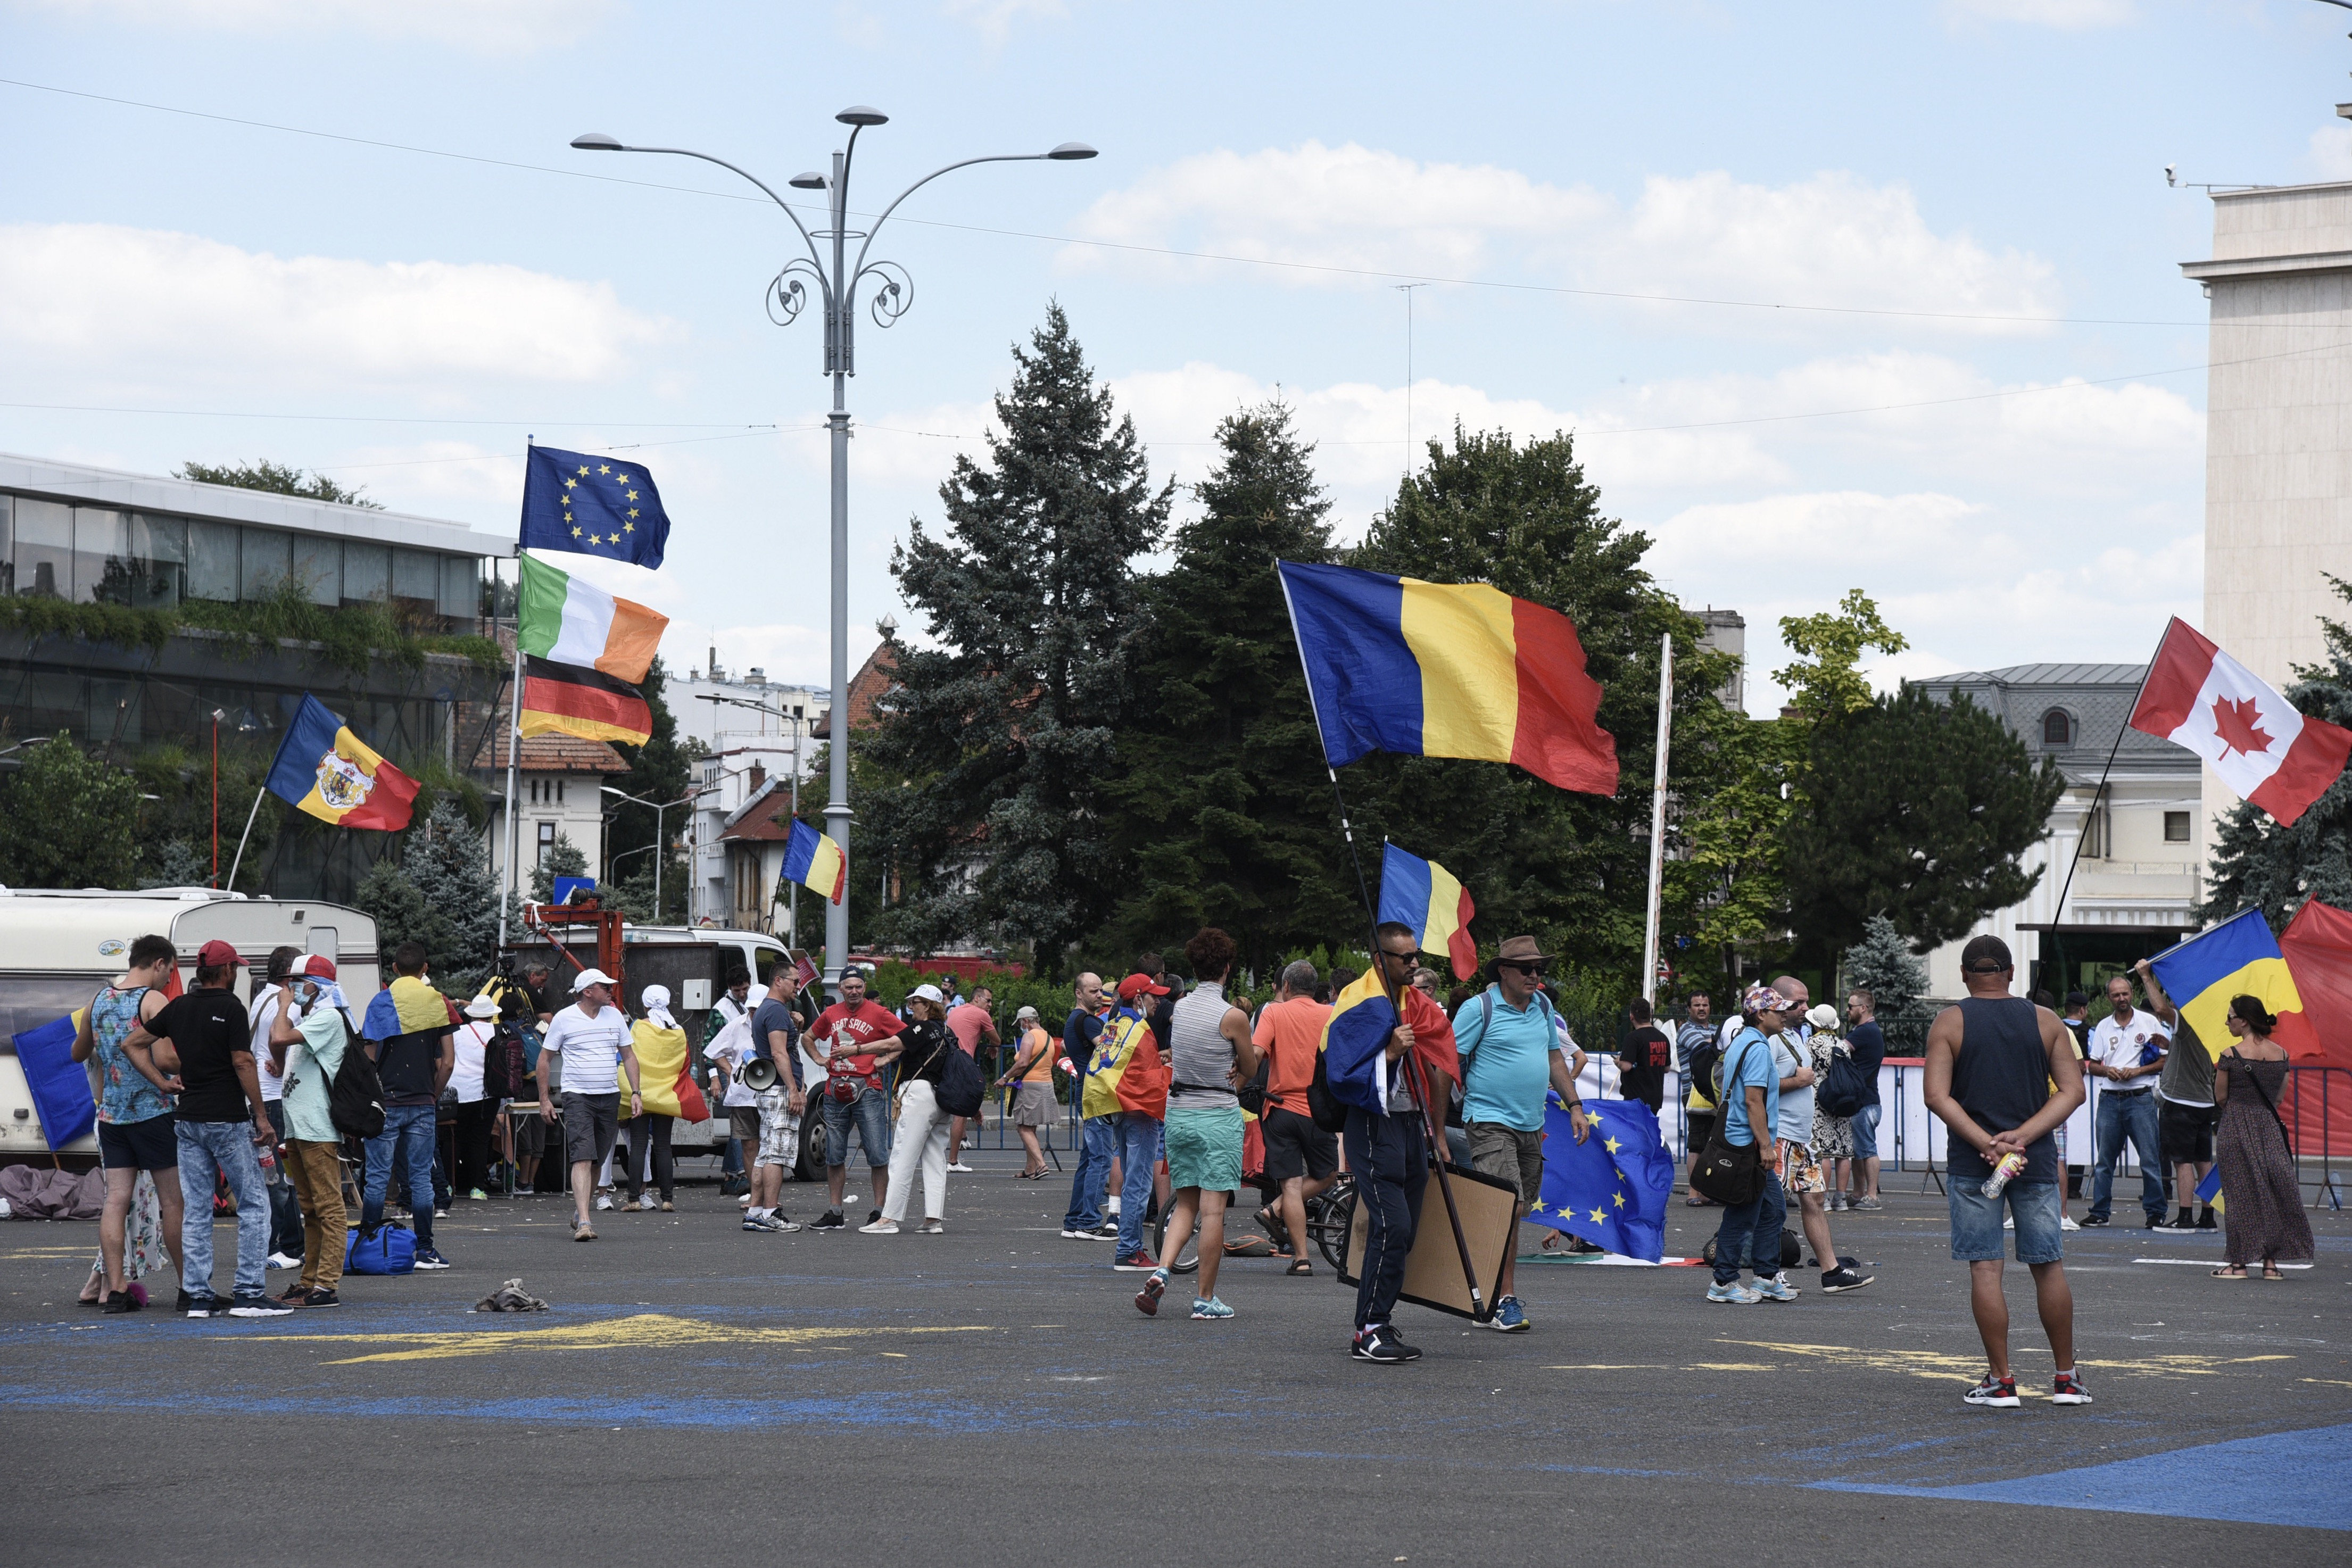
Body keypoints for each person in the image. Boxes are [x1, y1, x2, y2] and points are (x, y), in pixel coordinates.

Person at [1922, 934, 2090, 1408]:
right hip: (2033, 1160)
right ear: (2012, 972)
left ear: (1963, 974)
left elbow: (1936, 1095)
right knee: (2047, 1264)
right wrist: (2022, 1137)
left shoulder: (1950, 1020)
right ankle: (2066, 1378)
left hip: (1973, 1163)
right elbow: (2072, 1091)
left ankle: (2002, 1379)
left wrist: (1987, 1143)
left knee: (1986, 1266)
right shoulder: (2046, 1020)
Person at [127, 939, 291, 1317]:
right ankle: (249, 1292)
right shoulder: (231, 1007)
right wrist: (262, 1116)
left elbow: (132, 1043)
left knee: (197, 1209)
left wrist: (162, 1081)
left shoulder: (180, 1006)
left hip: (188, 1120)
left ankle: (199, 1295)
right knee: (253, 1202)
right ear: (227, 970)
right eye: (236, 967)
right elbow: (243, 1061)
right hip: (227, 1120)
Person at [1452, 935, 1588, 1330]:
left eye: (1539, 969)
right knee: (1508, 1206)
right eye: (1527, 969)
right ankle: (1503, 1299)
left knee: (1514, 1210)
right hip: (1489, 1120)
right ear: (1504, 972)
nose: (1535, 975)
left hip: (1532, 1123)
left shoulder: (1543, 1006)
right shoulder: (1480, 1008)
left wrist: (1574, 1106)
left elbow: (1553, 1059)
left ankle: (1484, 1293)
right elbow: (1446, 1064)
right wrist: (1440, 1130)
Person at [1342, 921, 1459, 1364]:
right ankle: (1368, 1329)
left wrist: (1438, 1129)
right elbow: (1341, 1072)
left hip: (1413, 1126)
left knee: (1399, 1230)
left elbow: (1440, 1060)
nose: (1415, 963)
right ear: (1380, 960)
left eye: (1416, 956)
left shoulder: (1418, 1005)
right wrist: (1388, 1054)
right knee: (1394, 1225)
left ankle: (1378, 1319)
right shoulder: (1361, 1002)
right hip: (1375, 1125)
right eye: (1405, 957)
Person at [1137, 928, 1259, 1320]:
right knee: (1213, 1212)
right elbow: (1251, 1067)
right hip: (1217, 1114)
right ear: (1227, 968)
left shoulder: (1180, 1007)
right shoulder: (1234, 1016)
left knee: (1184, 1202)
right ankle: (1205, 1298)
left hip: (1180, 1112)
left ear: (1193, 966)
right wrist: (1236, 1073)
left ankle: (1162, 1269)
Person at [72, 935, 184, 1314]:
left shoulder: (99, 1000)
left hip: (111, 1116)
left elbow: (78, 1053)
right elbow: (167, 1059)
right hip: (153, 1111)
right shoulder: (152, 1001)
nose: (169, 977)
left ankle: (117, 1289)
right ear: (158, 962)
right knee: (173, 1201)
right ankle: (190, 1285)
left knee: (115, 1200)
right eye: (169, 969)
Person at [358, 942, 456, 1270]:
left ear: (395, 969)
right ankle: (426, 1250)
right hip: (422, 1102)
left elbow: (368, 1060)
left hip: (386, 1103)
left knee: (376, 1178)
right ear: (425, 968)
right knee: (421, 1179)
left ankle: (369, 1244)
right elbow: (448, 1063)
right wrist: (433, 1094)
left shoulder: (381, 1003)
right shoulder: (437, 1002)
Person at [2209, 996, 2315, 1280]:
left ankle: (2239, 1264)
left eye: (2230, 1017)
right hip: (2268, 1127)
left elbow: (2221, 1097)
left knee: (2240, 1196)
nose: (2227, 1022)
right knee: (2273, 1193)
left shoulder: (2230, 1054)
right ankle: (2271, 1264)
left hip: (2236, 1126)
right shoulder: (2281, 1054)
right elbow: (2278, 1098)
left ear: (2244, 1020)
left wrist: (2240, 1111)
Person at [1705, 985, 1796, 1306]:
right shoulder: (1757, 1049)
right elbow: (1754, 1101)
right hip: (1749, 1144)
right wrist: (1766, 1146)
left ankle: (1766, 1277)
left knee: (1774, 1209)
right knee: (1743, 1213)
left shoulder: (1744, 1042)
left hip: (1744, 1141)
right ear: (1761, 1014)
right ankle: (1724, 1281)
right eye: (1778, 1010)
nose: (1785, 1014)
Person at [269, 955, 350, 1307]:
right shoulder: (312, 1017)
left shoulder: (330, 1016)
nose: (290, 988)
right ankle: (308, 1281)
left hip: (317, 1127)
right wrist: (286, 1014)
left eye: (297, 981)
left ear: (316, 985)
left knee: (329, 1208)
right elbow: (278, 1044)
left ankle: (326, 1286)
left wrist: (283, 1008)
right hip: (299, 1127)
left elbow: (279, 1035)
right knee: (311, 1209)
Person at [537, 966, 640, 1242]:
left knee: (598, 1159)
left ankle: (580, 1210)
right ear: (587, 992)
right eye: (605, 987)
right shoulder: (564, 1018)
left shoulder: (614, 1015)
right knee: (582, 1155)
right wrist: (545, 1099)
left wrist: (637, 1092)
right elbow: (544, 1060)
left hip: (609, 1096)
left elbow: (629, 1056)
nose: (610, 990)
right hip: (578, 1096)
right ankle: (585, 1221)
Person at [1253, 959, 1336, 1277]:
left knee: (1289, 1183)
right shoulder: (1330, 1014)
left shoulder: (1273, 1012)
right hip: (1320, 1112)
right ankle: (1273, 1210)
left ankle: (1301, 1258)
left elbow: (1257, 1053)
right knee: (1327, 1174)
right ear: (1316, 989)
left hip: (1281, 1108)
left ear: (1285, 987)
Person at [806, 968, 904, 1231]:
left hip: (868, 1090)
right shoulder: (831, 1014)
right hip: (835, 1090)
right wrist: (820, 1059)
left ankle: (879, 1212)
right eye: (849, 987)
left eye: (858, 987)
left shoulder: (879, 1013)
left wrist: (886, 1058)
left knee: (877, 1153)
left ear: (864, 986)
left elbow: (906, 1039)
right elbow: (808, 1038)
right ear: (840, 989)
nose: (854, 991)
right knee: (834, 1154)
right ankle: (835, 1211)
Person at [1791, 1002, 1874, 1293]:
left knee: (1822, 1151)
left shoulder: (1810, 1044)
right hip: (1842, 1103)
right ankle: (1840, 1196)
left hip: (1820, 1101)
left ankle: (1823, 1198)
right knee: (1844, 1152)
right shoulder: (1842, 1044)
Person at [864, 984, 957, 1234]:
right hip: (943, 1098)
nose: (911, 1007)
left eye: (914, 1002)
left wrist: (856, 1050)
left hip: (920, 1094)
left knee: (903, 1155)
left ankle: (889, 1218)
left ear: (927, 1005)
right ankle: (933, 1219)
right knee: (935, 1158)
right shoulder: (947, 1032)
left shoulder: (921, 1028)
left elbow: (894, 1042)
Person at [2134, 959, 2218, 1232]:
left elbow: (2159, 1008)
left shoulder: (2188, 1018)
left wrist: (2146, 976)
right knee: (2204, 1160)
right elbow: (2195, 1053)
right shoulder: (2213, 1021)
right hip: (2204, 1100)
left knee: (2182, 1161)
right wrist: (2172, 1045)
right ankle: (2208, 1217)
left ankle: (2184, 1217)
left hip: (2181, 1099)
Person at [2083, 972, 2169, 1228]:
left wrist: (2137, 1072)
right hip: (2110, 1097)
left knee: (2150, 1159)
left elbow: (2164, 1060)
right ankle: (2100, 1211)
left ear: (2132, 994)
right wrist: (2107, 1071)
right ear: (2109, 998)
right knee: (2104, 1161)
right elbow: (2093, 1064)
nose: (2121, 998)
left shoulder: (2149, 1022)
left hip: (2140, 1098)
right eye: (2116, 995)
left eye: (2125, 993)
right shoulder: (2102, 1027)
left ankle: (2155, 1212)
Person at [248, 946, 306, 1271]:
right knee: (287, 1176)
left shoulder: (261, 999)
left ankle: (269, 1243)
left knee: (269, 1175)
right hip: (277, 1097)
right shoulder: (287, 1005)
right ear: (289, 976)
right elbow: (276, 1038)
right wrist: (283, 1065)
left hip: (259, 1097)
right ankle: (290, 1245)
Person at [1059, 972, 1120, 1240]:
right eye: (1094, 991)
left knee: (1089, 1158)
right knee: (1101, 1157)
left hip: (1086, 1090)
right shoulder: (1089, 1022)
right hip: (1096, 1093)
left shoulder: (1074, 1020)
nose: (1100, 995)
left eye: (1100, 991)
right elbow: (1109, 1055)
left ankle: (1075, 1220)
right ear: (1079, 993)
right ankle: (1088, 1222)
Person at [623, 985, 691, 1212]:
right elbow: (684, 1063)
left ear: (645, 1004)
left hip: (640, 1094)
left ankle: (634, 1199)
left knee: (639, 1145)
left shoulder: (638, 1027)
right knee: (663, 1146)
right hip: (666, 1096)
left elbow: (626, 1056)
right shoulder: (678, 1032)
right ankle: (668, 1199)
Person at [706, 967, 755, 1197]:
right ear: (730, 989)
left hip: (754, 1075)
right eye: (738, 991)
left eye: (745, 989)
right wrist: (718, 1076)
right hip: (737, 1076)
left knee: (742, 1130)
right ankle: (742, 1176)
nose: (742, 994)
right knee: (742, 1130)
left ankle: (730, 1175)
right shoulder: (720, 1011)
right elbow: (710, 1046)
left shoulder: (755, 1001)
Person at [449, 994, 501, 1201]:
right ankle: (477, 1188)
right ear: (491, 1015)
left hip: (459, 1092)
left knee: (455, 1139)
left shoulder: (458, 1032)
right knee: (480, 1141)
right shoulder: (499, 1032)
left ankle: (448, 1186)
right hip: (488, 1093)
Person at [1838, 988, 1887, 1211]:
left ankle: (1871, 1196)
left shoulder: (1864, 1032)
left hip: (1865, 1103)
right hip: (1867, 1101)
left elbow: (1837, 1052)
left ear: (1863, 1008)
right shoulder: (1869, 1031)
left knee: (1866, 1149)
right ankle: (1859, 1194)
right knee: (1858, 1149)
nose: (1847, 1010)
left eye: (1851, 1006)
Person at [943, 984, 999, 1172]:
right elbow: (997, 1039)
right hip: (962, 1063)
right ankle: (952, 1161)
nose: (990, 1005)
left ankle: (945, 1152)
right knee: (960, 1113)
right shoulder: (981, 1014)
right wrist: (993, 1045)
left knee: (946, 1109)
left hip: (945, 1061)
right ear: (977, 999)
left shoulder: (955, 1012)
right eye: (988, 1000)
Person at [997, 1005, 1057, 1179]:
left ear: (1025, 1021)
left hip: (1030, 1087)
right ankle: (1030, 1169)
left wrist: (1005, 1077)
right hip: (1046, 1085)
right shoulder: (1048, 1037)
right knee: (1030, 1127)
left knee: (1023, 1128)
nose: (1020, 1028)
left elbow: (1023, 1063)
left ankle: (1041, 1165)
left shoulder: (1030, 1037)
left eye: (1020, 1024)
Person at [1676, 992, 1719, 1208]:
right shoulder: (1686, 1030)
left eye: (1705, 1004)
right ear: (1689, 1009)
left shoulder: (1714, 1030)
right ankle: (1694, 1192)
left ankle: (1707, 1192)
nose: (1702, 1008)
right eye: (1696, 1005)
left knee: (1713, 1145)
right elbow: (1708, 1048)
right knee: (1697, 1145)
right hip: (1694, 1094)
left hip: (1714, 1093)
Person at [1618, 997, 1671, 1114]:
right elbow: (1667, 1068)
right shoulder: (1663, 1038)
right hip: (1656, 1098)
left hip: (1636, 1098)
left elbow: (1626, 1067)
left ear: (1631, 1016)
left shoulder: (1633, 1038)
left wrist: (1618, 1062)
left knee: (1636, 1130)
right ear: (1650, 1015)